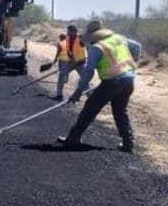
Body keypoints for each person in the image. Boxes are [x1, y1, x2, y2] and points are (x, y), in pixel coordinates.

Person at [57, 20, 141, 152]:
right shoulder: (118, 38)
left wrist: (78, 91)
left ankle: (73, 139)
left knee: (90, 108)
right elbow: (137, 46)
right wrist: (133, 64)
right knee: (120, 112)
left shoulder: (97, 48)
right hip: (128, 80)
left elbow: (88, 71)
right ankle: (128, 144)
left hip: (112, 82)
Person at [53, 25, 88, 102]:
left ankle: (89, 96)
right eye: (67, 31)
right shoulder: (67, 38)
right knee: (61, 76)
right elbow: (66, 50)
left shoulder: (81, 38)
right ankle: (59, 95)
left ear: (74, 32)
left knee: (85, 78)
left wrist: (85, 58)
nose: (68, 32)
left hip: (80, 62)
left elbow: (88, 47)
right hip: (71, 62)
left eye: (69, 31)